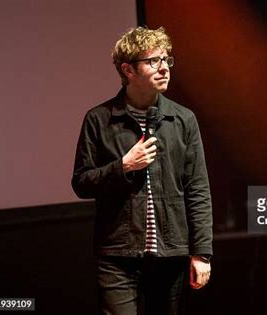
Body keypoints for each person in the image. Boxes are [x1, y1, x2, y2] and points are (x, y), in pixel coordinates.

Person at [71, 26, 213, 315]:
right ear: (128, 70)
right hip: (117, 255)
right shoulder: (100, 120)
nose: (164, 68)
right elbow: (82, 183)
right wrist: (123, 166)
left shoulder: (182, 119)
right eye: (153, 61)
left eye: (167, 60)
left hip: (171, 252)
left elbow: (197, 189)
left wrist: (202, 253)